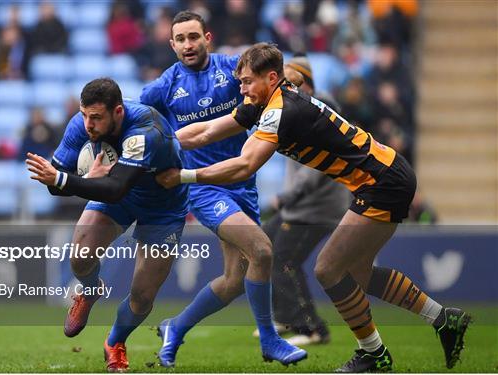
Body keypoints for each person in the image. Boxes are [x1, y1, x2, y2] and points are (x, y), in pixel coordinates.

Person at [156, 43, 471, 373]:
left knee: (328, 268)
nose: (242, 89)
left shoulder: (281, 112)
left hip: (383, 181)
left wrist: (183, 176)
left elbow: (245, 166)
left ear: (272, 78)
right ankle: (442, 319)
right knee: (359, 273)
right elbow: (208, 130)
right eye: (240, 81)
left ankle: (373, 354)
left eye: (247, 81)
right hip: (383, 175)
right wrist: (165, 144)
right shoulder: (264, 100)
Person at [140, 11, 306, 368]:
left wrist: (292, 74)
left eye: (193, 37)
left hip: (242, 183)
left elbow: (269, 75)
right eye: (180, 39)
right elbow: (136, 124)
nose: (188, 44)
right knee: (262, 250)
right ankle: (270, 340)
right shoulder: (160, 88)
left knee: (233, 280)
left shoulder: (232, 69)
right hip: (202, 186)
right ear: (171, 45)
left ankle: (175, 328)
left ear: (207, 38)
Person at [26, 78, 189, 372]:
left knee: (142, 295)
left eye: (97, 117)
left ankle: (115, 341)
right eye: (85, 114)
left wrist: (69, 181)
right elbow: (55, 186)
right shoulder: (80, 124)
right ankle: (89, 289)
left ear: (118, 112)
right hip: (118, 194)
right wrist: (82, 180)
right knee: (79, 257)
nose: (88, 124)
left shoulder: (146, 130)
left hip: (162, 206)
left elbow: (114, 188)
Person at [256, 56, 351, 346]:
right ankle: (286, 316)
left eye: (291, 81)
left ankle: (312, 328)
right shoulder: (297, 108)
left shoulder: (321, 109)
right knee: (266, 247)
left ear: (305, 81)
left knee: (285, 259)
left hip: (318, 207)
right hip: (304, 205)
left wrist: (287, 196)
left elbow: (318, 168)